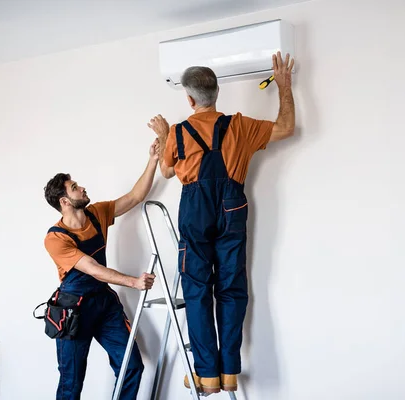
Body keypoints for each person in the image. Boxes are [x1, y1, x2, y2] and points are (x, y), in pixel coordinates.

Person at [147, 51, 295, 394]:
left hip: (195, 209)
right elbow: (287, 127)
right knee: (231, 288)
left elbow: (167, 171)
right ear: (217, 94)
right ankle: (228, 372)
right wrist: (284, 86)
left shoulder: (180, 133)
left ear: (189, 98)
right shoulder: (241, 126)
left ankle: (206, 374)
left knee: (197, 291)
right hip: (233, 206)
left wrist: (169, 132)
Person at [43, 139, 160, 400]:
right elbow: (92, 268)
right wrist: (133, 282)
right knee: (71, 384)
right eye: (75, 187)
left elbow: (134, 196)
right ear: (64, 201)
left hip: (103, 304)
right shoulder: (56, 238)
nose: (82, 187)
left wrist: (152, 160)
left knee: (132, 366)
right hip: (73, 311)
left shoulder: (97, 213)